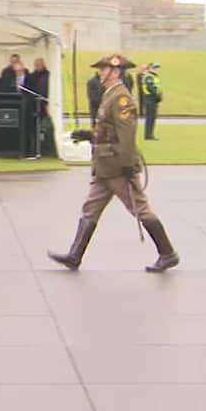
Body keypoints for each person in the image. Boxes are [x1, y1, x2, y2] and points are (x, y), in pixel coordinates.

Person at [49, 54, 179, 273]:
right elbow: (107, 131)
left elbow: (126, 134)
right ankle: (75, 255)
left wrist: (127, 164)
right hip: (104, 166)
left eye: (104, 69)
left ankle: (167, 253)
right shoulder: (110, 95)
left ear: (116, 72)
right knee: (90, 209)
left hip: (117, 167)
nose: (100, 73)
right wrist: (88, 135)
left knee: (140, 209)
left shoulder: (121, 98)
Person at [140, 63, 162, 141]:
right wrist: (157, 95)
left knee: (152, 117)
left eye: (157, 68)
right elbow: (150, 88)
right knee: (150, 118)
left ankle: (150, 134)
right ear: (150, 68)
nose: (156, 70)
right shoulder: (149, 77)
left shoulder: (154, 77)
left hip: (153, 99)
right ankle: (148, 135)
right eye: (154, 68)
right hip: (150, 99)